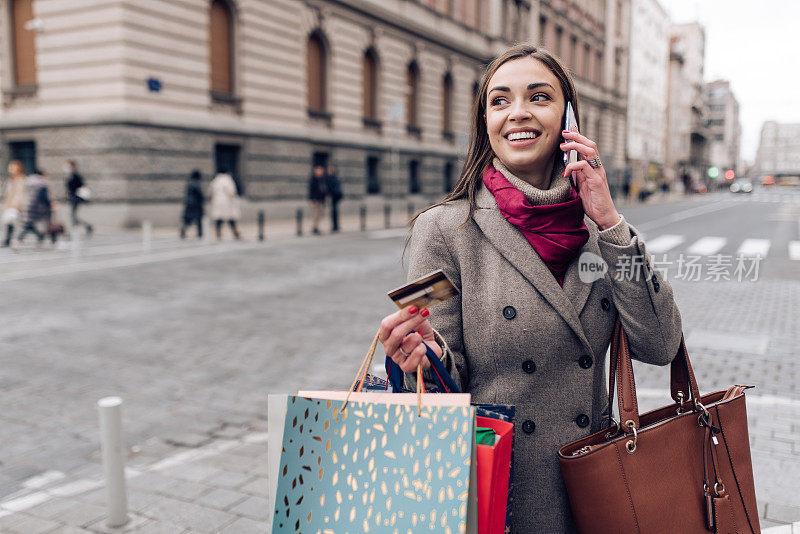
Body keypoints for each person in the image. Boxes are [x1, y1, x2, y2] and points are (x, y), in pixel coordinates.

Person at [377, 44, 682, 533]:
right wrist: (421, 353)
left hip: (595, 490)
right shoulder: (440, 230)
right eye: (500, 101)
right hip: (495, 496)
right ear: (486, 122)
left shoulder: (598, 230)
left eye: (538, 97)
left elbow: (660, 343)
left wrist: (609, 221)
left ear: (569, 116)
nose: (517, 112)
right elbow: (432, 377)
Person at [16, 169, 55, 246]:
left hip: (28, 206)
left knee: (29, 224)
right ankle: (54, 241)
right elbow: (43, 197)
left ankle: (40, 236)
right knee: (49, 223)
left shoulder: (29, 183)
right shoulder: (41, 184)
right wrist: (50, 204)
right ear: (42, 175)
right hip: (39, 208)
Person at [209, 169, 241, 240]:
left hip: (217, 202)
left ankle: (218, 234)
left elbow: (211, 191)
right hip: (227, 202)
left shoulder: (215, 180)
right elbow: (232, 191)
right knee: (231, 218)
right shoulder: (228, 180)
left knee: (219, 218)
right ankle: (235, 233)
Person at [1, 159, 27, 247]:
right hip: (9, 204)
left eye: (12, 167)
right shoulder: (10, 180)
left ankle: (16, 239)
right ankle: (9, 239)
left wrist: (17, 204)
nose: (10, 169)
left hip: (15, 205)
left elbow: (20, 193)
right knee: (9, 222)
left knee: (17, 222)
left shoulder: (21, 179)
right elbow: (8, 194)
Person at [64, 160, 93, 237]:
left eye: (68, 166)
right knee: (73, 215)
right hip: (71, 198)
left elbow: (81, 186)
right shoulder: (70, 176)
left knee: (73, 215)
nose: (66, 167)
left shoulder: (76, 176)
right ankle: (87, 226)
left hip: (75, 198)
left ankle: (73, 230)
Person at [180, 170, 204, 239]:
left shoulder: (189, 183)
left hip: (189, 203)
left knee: (187, 220)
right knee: (198, 219)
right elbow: (200, 194)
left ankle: (183, 231)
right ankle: (200, 234)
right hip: (195, 205)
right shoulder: (196, 184)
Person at [307, 165, 327, 235]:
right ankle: (315, 227)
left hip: (321, 199)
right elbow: (311, 190)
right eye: (319, 170)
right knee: (315, 214)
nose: (320, 171)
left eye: (321, 170)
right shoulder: (313, 179)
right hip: (315, 200)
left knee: (320, 214)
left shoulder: (322, 179)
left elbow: (324, 189)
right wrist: (313, 199)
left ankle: (316, 227)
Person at [325, 164, 343, 232]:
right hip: (332, 196)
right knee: (333, 211)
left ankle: (336, 225)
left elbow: (338, 187)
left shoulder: (336, 177)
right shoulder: (329, 178)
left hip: (336, 196)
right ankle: (334, 226)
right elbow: (328, 187)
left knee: (335, 211)